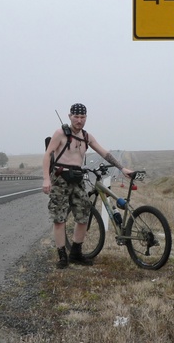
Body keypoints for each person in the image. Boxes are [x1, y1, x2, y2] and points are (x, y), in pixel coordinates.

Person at [42, 103, 133, 269]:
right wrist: (46, 179)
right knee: (59, 218)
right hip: (60, 178)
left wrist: (121, 168)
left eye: (82, 117)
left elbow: (104, 153)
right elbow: (48, 154)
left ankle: (76, 253)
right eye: (76, 117)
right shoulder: (60, 133)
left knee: (83, 215)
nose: (79, 120)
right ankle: (62, 256)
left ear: (86, 118)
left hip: (77, 178)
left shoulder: (86, 136)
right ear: (70, 116)